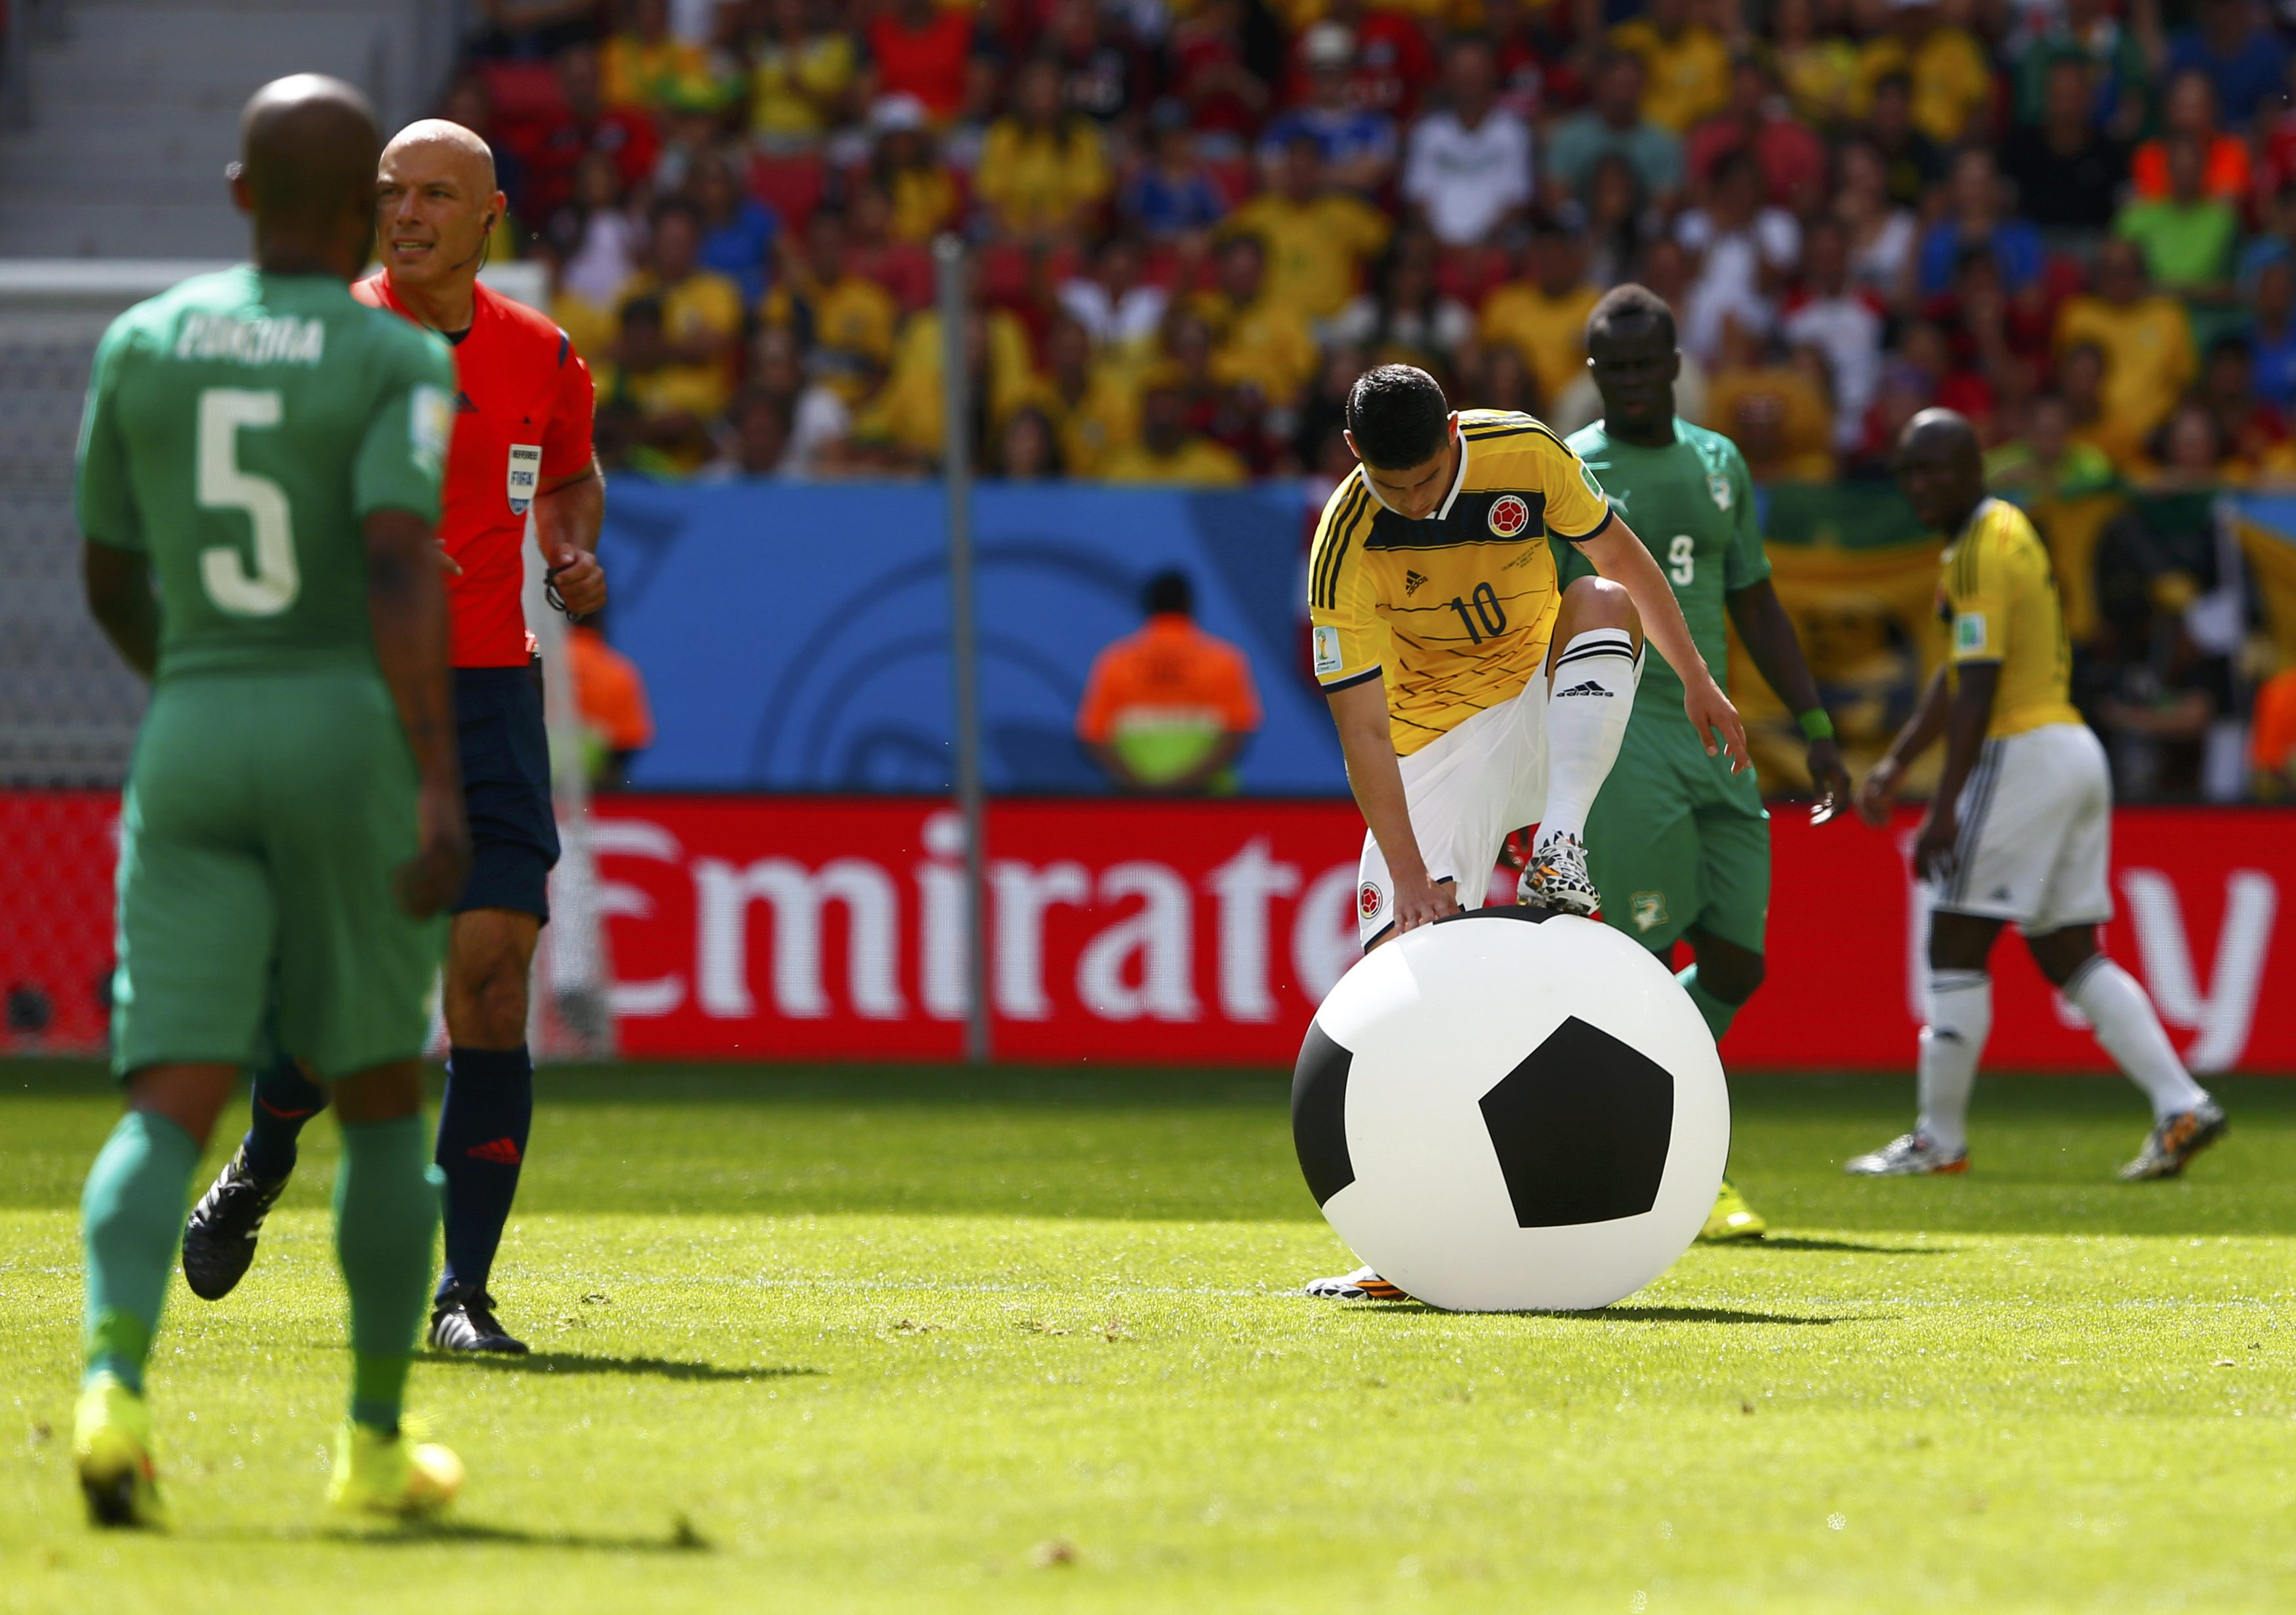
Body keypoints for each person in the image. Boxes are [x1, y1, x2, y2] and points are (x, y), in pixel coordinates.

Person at [73, 73, 469, 1527]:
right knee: (376, 1098)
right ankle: (371, 1443)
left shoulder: (141, 342)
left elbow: (108, 572)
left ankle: (113, 1392)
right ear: (369, 206)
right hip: (340, 727)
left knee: (169, 1096)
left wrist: (187, 679)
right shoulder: (393, 363)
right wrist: (437, 772)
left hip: (195, 718)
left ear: (239, 193)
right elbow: (390, 561)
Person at [181, 117, 607, 1358]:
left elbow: (570, 471)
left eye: (434, 194)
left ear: (490, 216)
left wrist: (570, 548)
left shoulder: (543, 353)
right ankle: (264, 1155)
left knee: (491, 972)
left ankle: (460, 1296)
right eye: (390, 193)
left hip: (489, 697)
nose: (407, 213)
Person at [1300, 363, 1748, 1301]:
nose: (1417, 502)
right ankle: (1402, 1247)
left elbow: (1624, 563)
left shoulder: (1526, 454)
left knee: (1601, 603)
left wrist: (1698, 678)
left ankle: (1561, 843)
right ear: (1354, 456)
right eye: (1394, 486)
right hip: (1433, 752)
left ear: (1454, 432)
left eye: (1428, 478)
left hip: (1540, 707)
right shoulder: (1344, 545)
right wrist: (1417, 874)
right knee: (1397, 984)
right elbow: (1364, 730)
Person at [1849, 409, 2226, 1181]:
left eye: (1935, 468)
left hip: (2019, 750)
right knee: (2064, 949)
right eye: (1907, 471)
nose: (1920, 485)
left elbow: (1978, 685)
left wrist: (1943, 803)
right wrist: (1895, 761)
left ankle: (1938, 1139)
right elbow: (1957, 668)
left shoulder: (1978, 547)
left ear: (1974, 469)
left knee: (1953, 939)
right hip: (2072, 753)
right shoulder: (1996, 533)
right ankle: (2178, 1102)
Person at [1557, 285, 1851, 1244]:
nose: (1636, 379)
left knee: (1736, 960)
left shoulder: (1722, 463)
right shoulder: (1572, 473)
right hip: (1627, 734)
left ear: (1679, 364)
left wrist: (1813, 721)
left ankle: (1602, 1104)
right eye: (1617, 366)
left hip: (1715, 733)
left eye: (1650, 362)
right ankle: (1687, 1163)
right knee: (1648, 959)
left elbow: (1756, 599)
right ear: (1595, 373)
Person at [1076, 570, 1263, 793]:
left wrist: (1141, 788)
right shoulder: (1224, 660)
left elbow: (1094, 738)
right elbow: (1237, 735)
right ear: (1188, 604)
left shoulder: (1115, 661)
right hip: (1208, 802)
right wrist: (1181, 788)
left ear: (1148, 606)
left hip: (1134, 802)